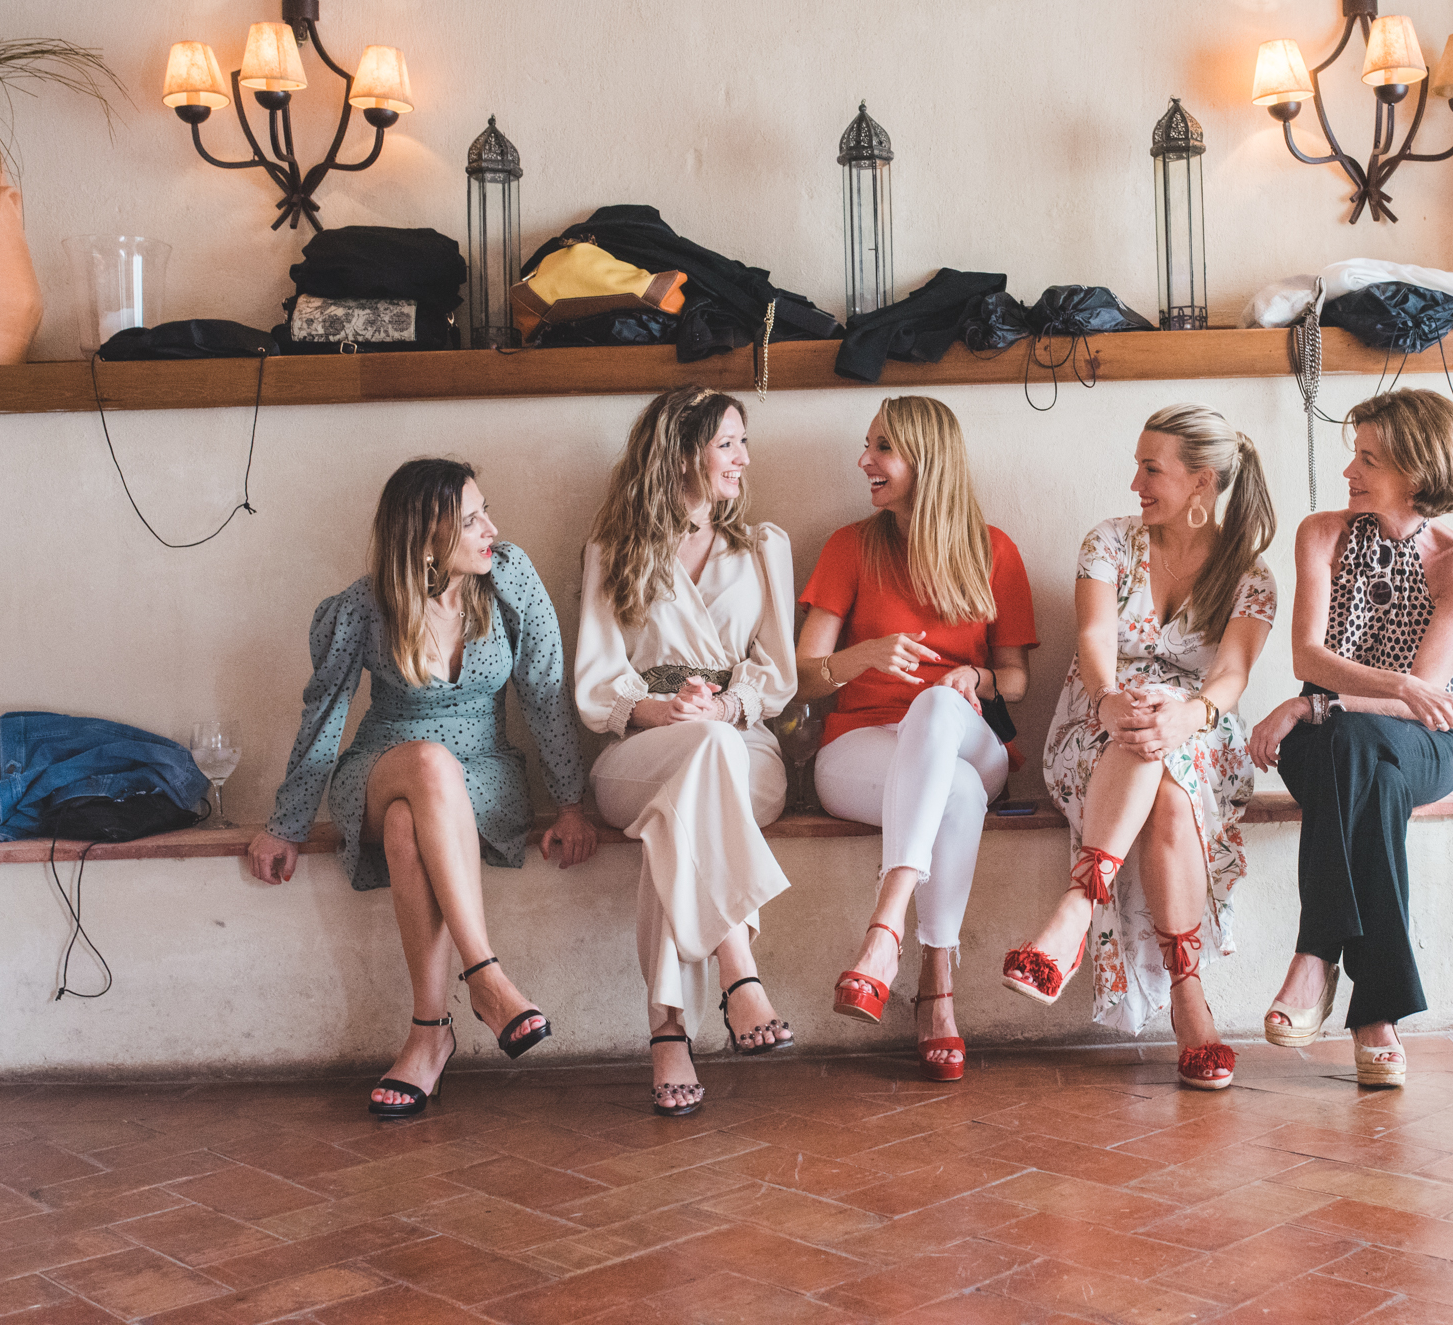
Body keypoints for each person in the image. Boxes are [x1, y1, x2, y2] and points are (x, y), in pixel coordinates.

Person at [248, 458, 597, 1119]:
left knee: (410, 825)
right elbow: (325, 716)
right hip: (383, 767)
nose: (491, 529)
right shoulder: (364, 607)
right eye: (470, 521)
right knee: (429, 768)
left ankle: (428, 1033)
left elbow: (545, 691)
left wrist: (570, 802)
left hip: (485, 773)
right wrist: (286, 824)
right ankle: (486, 975)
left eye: (486, 511)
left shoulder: (508, 577)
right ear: (425, 537)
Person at [1009, 404, 1276, 1092]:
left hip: (1200, 733)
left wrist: (1189, 713)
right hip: (1095, 722)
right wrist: (1107, 697)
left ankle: (1076, 908)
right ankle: (1190, 1002)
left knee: (1167, 764)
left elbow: (1232, 675)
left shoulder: (1250, 576)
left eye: (1151, 469)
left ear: (1201, 481)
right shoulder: (1109, 542)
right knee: (1147, 733)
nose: (1135, 483)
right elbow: (1095, 637)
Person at [1247, 388, 1453, 1089]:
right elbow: (1308, 656)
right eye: (1355, 453)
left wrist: (1312, 705)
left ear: (1418, 470)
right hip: (1330, 745)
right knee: (1367, 773)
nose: (1349, 470)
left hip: (1421, 743)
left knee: (1361, 742)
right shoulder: (1321, 534)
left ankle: (1316, 953)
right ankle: (1376, 1016)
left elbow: (1423, 698)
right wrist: (1349, 696)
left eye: (1369, 459)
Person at [795, 396, 1036, 1082]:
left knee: (935, 704)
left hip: (967, 736)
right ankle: (937, 987)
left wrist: (975, 678)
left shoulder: (993, 550)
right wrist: (862, 656)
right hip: (860, 747)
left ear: (926, 461)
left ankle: (884, 931)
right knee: (953, 791)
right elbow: (804, 676)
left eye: (883, 448)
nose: (864, 461)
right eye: (867, 445)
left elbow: (1017, 681)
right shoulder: (849, 546)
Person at [574, 386, 798, 1117]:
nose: (744, 458)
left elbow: (777, 674)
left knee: (682, 805)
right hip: (641, 748)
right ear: (679, 454)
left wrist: (724, 707)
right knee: (688, 768)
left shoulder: (762, 548)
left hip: (745, 747)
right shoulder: (612, 552)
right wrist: (660, 710)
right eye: (727, 443)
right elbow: (596, 683)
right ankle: (739, 966)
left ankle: (668, 1031)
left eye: (742, 442)